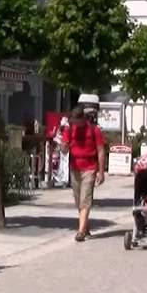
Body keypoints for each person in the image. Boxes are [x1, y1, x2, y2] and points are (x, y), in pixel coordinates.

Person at [60, 103, 106, 241]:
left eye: (76, 121)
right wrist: (63, 146)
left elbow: (101, 150)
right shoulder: (70, 129)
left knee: (85, 200)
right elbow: (64, 149)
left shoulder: (93, 130)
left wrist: (101, 171)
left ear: (82, 119)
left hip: (89, 168)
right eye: (72, 122)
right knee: (78, 200)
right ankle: (85, 227)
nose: (74, 124)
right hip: (74, 168)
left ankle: (80, 232)